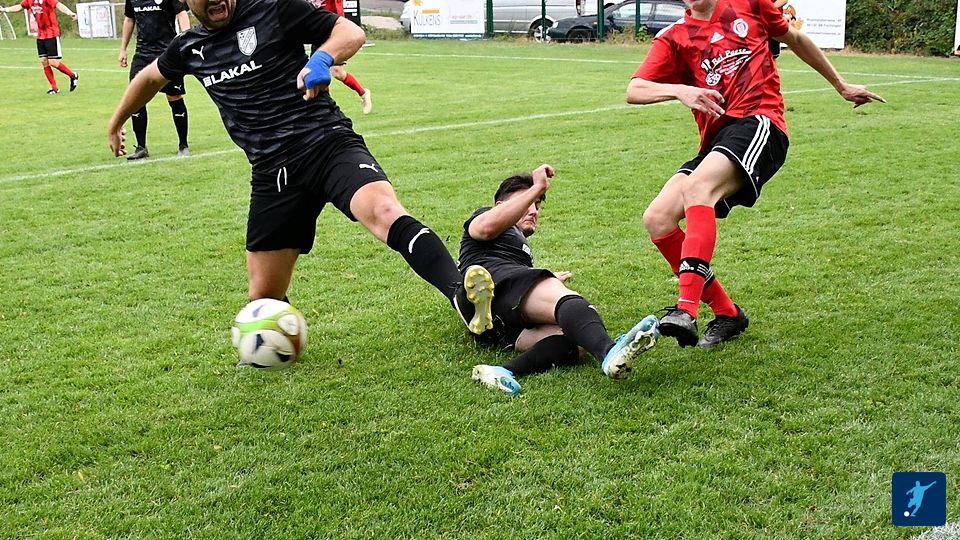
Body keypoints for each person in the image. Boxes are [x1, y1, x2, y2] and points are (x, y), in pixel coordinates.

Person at [107, 0, 470, 341]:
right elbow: (149, 79)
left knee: (384, 211)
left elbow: (350, 32)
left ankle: (463, 297)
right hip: (273, 174)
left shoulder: (273, 8)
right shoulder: (188, 47)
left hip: (326, 145)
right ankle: (272, 347)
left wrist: (322, 59)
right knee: (263, 299)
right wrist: (117, 121)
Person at [626, 0, 884, 348]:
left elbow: (796, 39)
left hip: (762, 123)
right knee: (657, 218)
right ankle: (728, 313)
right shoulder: (674, 37)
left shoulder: (749, 4)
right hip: (718, 141)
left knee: (698, 187)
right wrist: (679, 90)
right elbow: (635, 89)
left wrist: (841, 85)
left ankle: (686, 309)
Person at [456, 164, 659, 396]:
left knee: (578, 340)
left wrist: (545, 278)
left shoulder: (517, 246)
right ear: (501, 205)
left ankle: (501, 370)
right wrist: (537, 187)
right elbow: (484, 228)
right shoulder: (484, 215)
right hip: (490, 281)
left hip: (501, 326)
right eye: (526, 201)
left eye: (537, 205)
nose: (533, 210)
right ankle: (609, 351)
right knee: (569, 300)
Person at [118, 0, 192, 159]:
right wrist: (123, 49)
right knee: (136, 99)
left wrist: (186, 41)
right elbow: (129, 19)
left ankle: (183, 145)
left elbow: (181, 13)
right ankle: (141, 147)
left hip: (167, 53)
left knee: (174, 97)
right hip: (142, 54)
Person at [1, 0, 78, 94]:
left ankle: (73, 75)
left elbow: (59, 5)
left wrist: (70, 13)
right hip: (41, 35)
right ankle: (54, 88)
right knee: (44, 61)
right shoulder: (30, 1)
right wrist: (5, 10)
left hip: (52, 34)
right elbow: (19, 6)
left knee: (53, 62)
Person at [310, 0, 372, 114]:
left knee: (337, 72)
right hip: (318, 35)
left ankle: (363, 93)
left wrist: (341, 33)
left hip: (333, 35)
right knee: (318, 74)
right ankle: (323, 108)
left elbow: (338, 12)